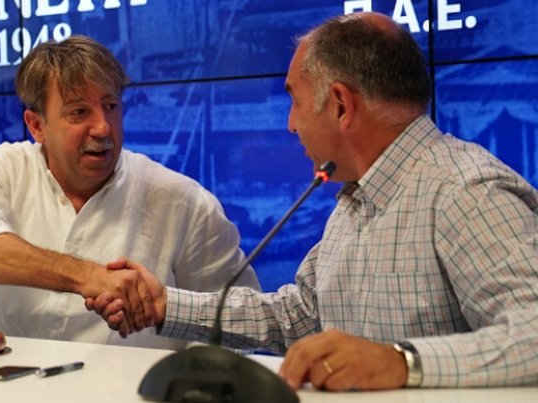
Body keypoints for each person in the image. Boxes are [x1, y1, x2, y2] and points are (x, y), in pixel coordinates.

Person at [88, 12, 538, 391]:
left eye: (295, 101)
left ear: (340, 105)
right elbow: (299, 316)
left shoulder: (465, 190)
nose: (290, 124)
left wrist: (400, 362)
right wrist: (165, 305)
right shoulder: (354, 201)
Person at [0, 35, 259, 348]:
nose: (102, 127)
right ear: (36, 126)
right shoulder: (4, 167)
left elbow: (237, 326)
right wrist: (88, 277)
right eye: (79, 112)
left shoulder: (183, 201)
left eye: (111, 106)